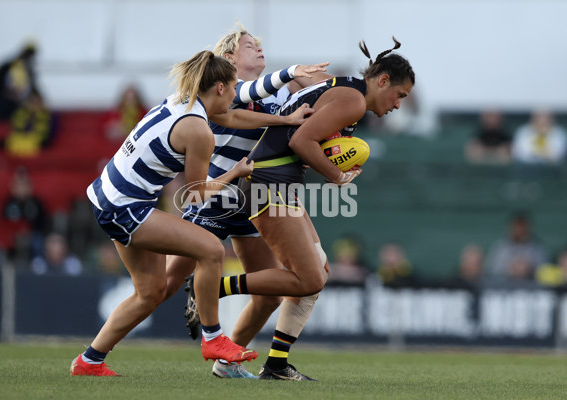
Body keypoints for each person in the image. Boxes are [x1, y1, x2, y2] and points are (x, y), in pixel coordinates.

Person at [70, 49, 314, 377]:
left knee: (152, 292)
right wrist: (234, 173)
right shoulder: (198, 130)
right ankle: (213, 338)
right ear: (220, 89)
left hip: (109, 196)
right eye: (233, 89)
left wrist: (285, 120)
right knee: (211, 250)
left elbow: (231, 117)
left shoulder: (183, 101)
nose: (235, 97)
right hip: (126, 206)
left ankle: (89, 361)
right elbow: (195, 193)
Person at [215, 37, 413, 353]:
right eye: (399, 95)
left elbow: (301, 138)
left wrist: (330, 158)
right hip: (268, 182)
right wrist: (337, 175)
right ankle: (217, 286)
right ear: (383, 80)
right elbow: (300, 141)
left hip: (275, 181)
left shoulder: (345, 87)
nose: (398, 104)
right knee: (309, 280)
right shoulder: (355, 101)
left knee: (319, 271)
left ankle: (273, 362)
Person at [161, 25, 331, 380]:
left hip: (254, 201)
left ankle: (227, 363)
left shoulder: (275, 98)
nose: (258, 49)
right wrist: (291, 75)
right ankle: (95, 354)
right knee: (163, 286)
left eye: (259, 45)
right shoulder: (224, 90)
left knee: (269, 294)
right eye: (249, 45)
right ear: (229, 59)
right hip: (215, 197)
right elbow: (250, 91)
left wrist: (321, 87)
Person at [1, 166, 49, 266]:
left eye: (24, 186)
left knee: (38, 241)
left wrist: (29, 232)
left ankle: (38, 265)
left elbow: (43, 222)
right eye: (19, 186)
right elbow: (2, 222)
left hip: (33, 235)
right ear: (13, 187)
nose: (22, 189)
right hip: (12, 236)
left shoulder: (37, 203)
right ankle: (6, 265)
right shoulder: (8, 203)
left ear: (30, 187)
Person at [0, 42, 39, 120]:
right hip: (4, 106)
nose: (29, 58)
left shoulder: (28, 71)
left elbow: (33, 90)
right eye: (28, 55)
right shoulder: (8, 68)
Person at [484, 211, 548, 281]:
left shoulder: (537, 248)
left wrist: (530, 269)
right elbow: (492, 271)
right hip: (503, 288)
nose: (520, 230)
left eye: (522, 226)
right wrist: (510, 270)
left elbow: (545, 271)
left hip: (533, 288)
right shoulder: (500, 248)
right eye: (517, 226)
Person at [4, 90, 56, 158]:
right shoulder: (21, 112)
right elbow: (17, 126)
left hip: (38, 140)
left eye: (36, 101)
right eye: (32, 101)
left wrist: (37, 116)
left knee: (31, 143)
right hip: (21, 138)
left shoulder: (47, 114)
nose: (34, 104)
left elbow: (46, 132)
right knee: (15, 141)